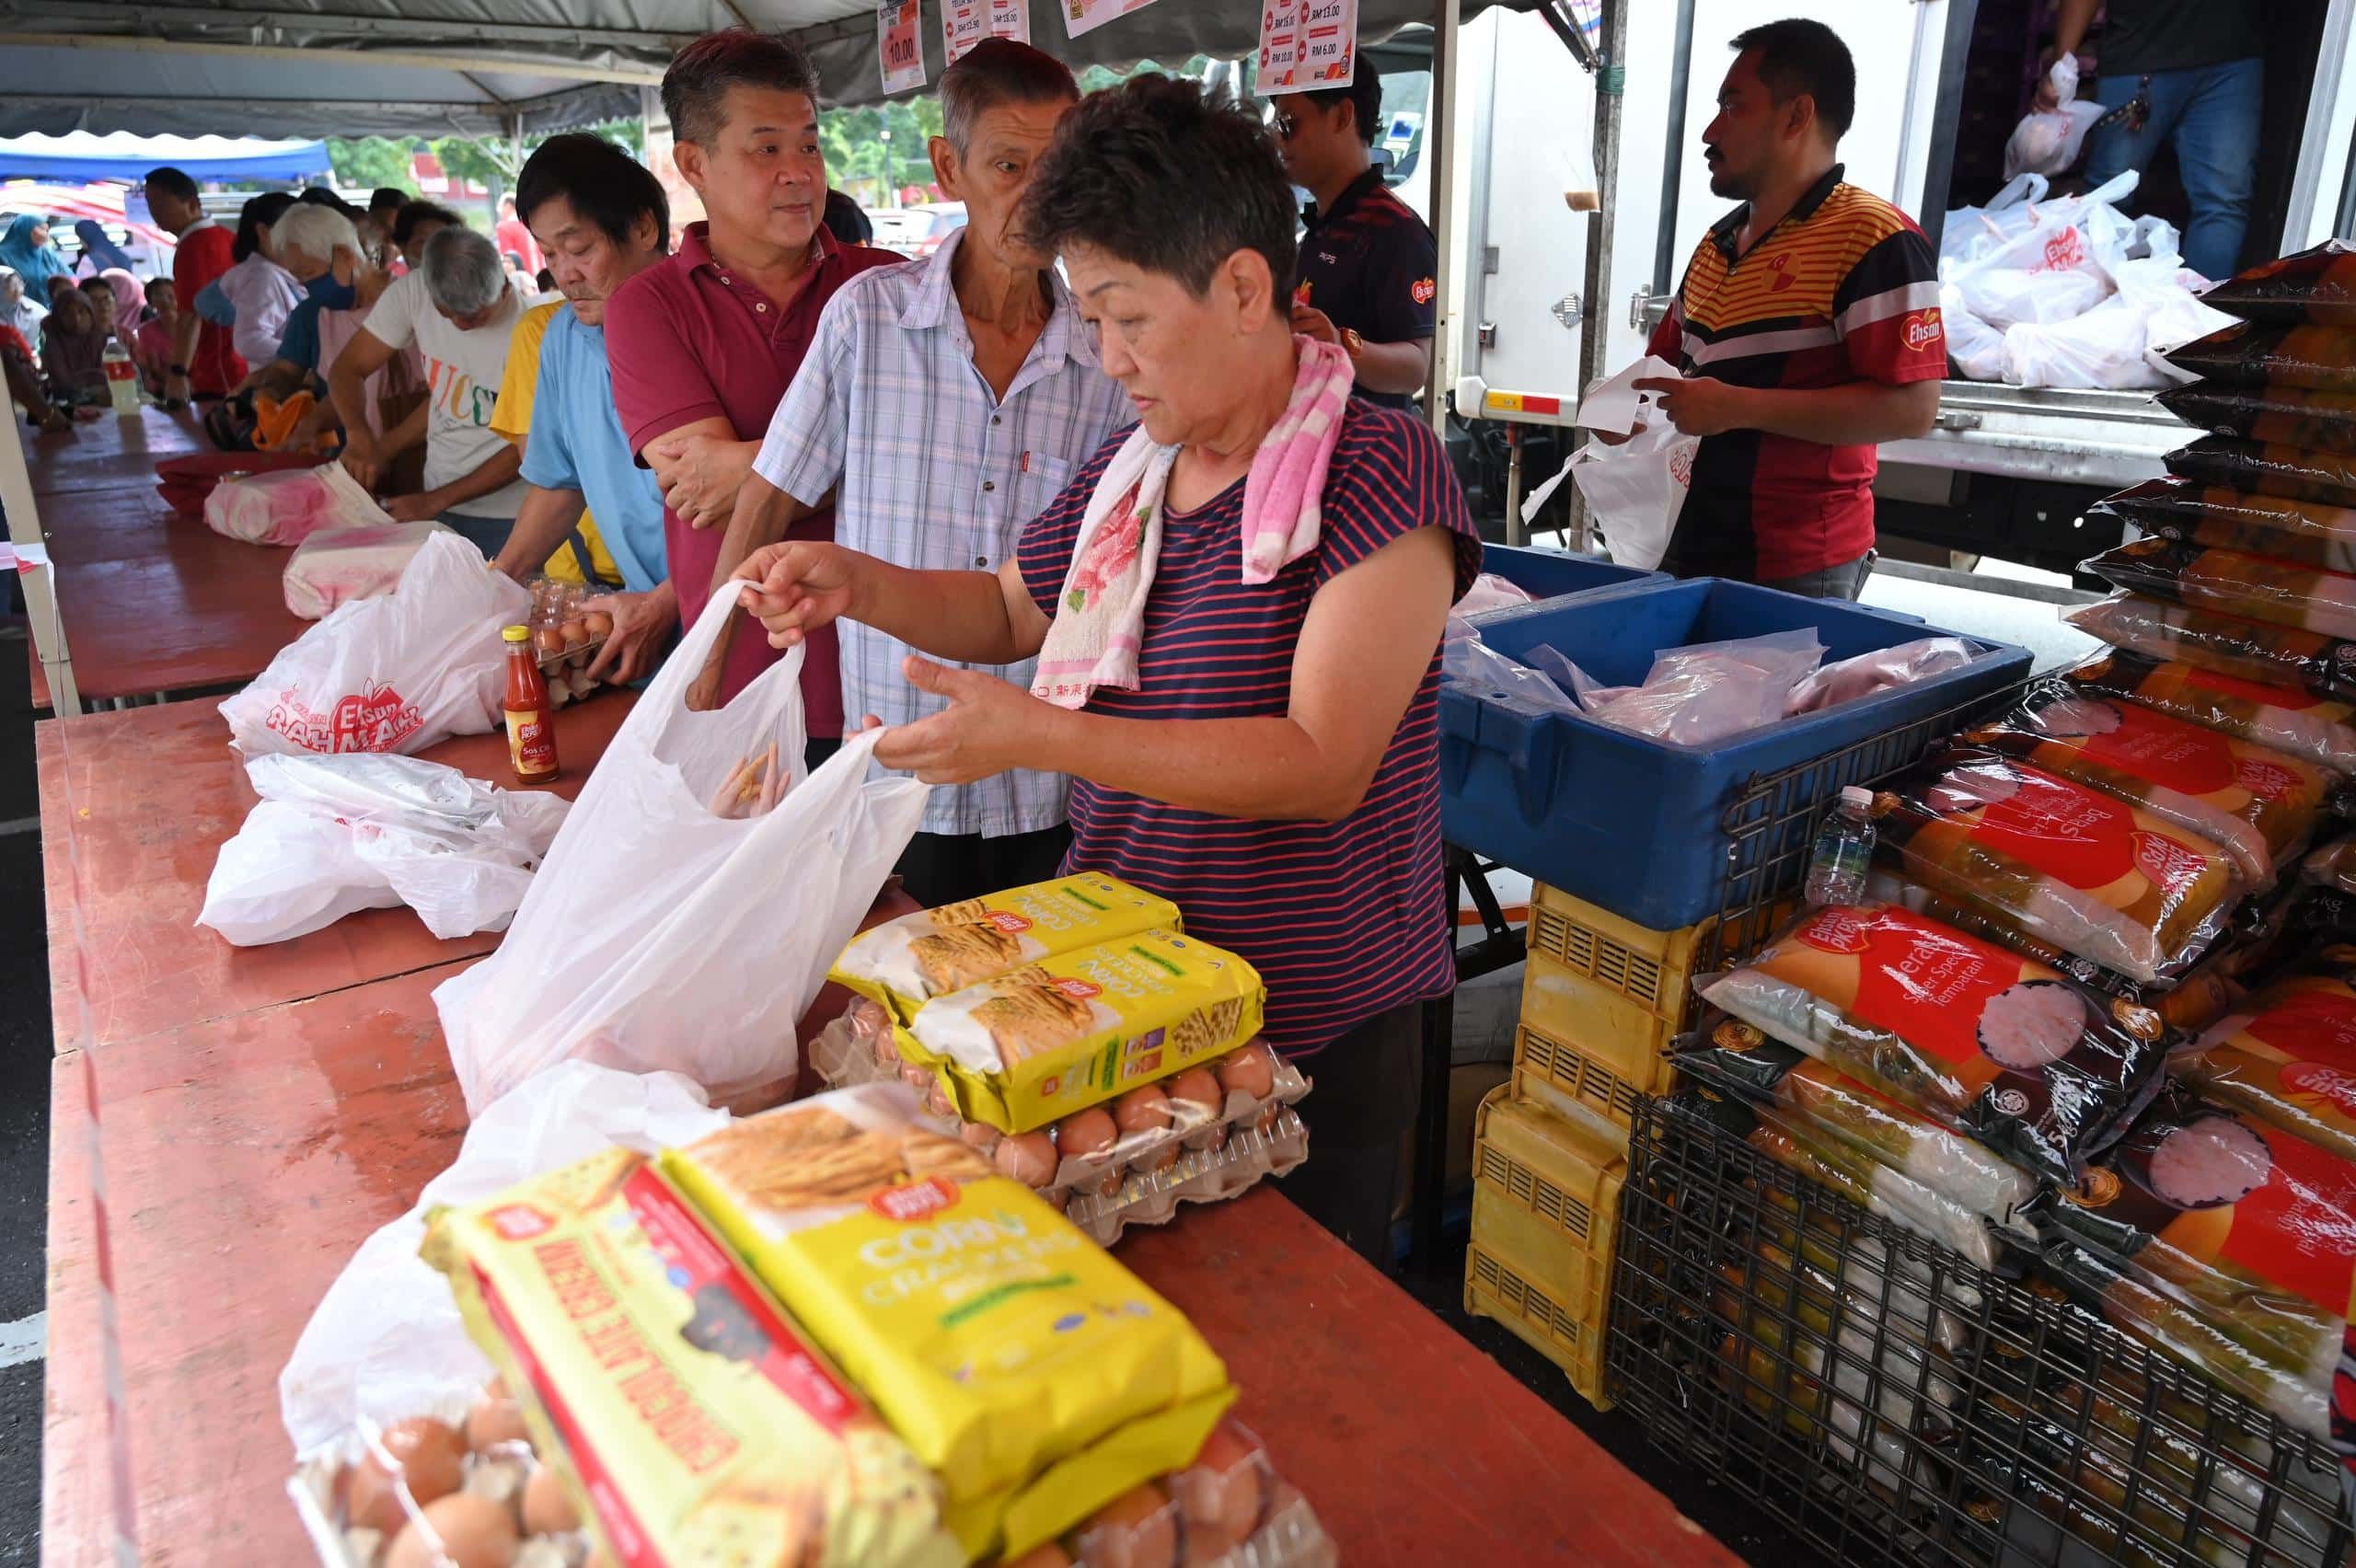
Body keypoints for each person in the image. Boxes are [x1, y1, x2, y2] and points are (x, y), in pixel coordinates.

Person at [730, 75, 1480, 1266]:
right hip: (1119, 996)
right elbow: (1002, 607)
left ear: (1242, 287)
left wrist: (1043, 738)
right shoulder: (1136, 473)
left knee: (1307, 1354)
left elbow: (1322, 764)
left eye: (1125, 315)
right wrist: (854, 581)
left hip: (1301, 1025)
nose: (1104, 354)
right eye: (1090, 316)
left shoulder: (1383, 475)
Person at [726, 40, 1129, 905]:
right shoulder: (868, 323)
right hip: (893, 758)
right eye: (1008, 164)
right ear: (950, 166)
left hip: (1048, 771)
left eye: (1054, 166)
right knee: (889, 1011)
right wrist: (716, 688)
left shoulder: (1109, 351)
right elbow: (768, 498)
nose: (1035, 194)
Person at [605, 29, 902, 742]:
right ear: (693, 162)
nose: (799, 171)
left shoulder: (888, 283)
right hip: (746, 681)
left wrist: (751, 462)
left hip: (895, 669)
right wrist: (875, 451)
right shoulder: (648, 306)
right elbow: (703, 493)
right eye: (766, 148)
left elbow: (938, 457)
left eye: (808, 143)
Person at [1636, 18, 1942, 598]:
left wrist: (1737, 407)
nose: (1708, 130)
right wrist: (1628, 407)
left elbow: (1911, 411)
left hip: (1798, 562)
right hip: (1684, 537)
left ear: (1797, 116)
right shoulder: (1716, 242)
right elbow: (1663, 370)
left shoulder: (1875, 238)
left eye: (1732, 107)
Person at [488, 134, 678, 684]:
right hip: (641, 625)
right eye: (549, 253)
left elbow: (764, 503)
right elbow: (559, 484)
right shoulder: (563, 339)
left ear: (643, 228)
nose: (563, 273)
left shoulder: (707, 326)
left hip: (736, 620)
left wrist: (670, 601)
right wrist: (499, 582)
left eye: (579, 249)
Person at [329, 225, 528, 552]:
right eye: (446, 315)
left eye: (474, 317)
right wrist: (361, 435)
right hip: (439, 499)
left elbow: (529, 448)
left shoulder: (529, 330)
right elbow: (347, 369)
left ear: (505, 288)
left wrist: (434, 500)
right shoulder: (412, 293)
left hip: (511, 513)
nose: (460, 326)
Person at [2036, 0, 2261, 282]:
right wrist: (2062, 64)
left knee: (2224, 201)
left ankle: (2201, 319)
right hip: (2142, 58)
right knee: (2107, 198)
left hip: (2231, 58)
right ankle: (2081, 302)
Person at [1270, 68, 1438, 409]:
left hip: (1367, 448)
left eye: (1288, 123)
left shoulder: (1395, 229)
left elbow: (1416, 367)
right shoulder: (1321, 224)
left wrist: (1341, 341)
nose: (1278, 139)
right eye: (1275, 127)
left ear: (1342, 116)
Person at [143, 166, 243, 403]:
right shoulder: (225, 235)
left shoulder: (194, 246)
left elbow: (190, 316)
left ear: (191, 203)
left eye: (161, 203)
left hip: (221, 369)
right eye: (150, 204)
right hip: (237, 361)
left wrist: (178, 372)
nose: (154, 212)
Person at [212, 192, 304, 367]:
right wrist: (303, 355)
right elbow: (250, 339)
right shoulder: (263, 276)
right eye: (294, 231)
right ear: (263, 231)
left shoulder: (273, 272)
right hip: (280, 383)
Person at [39, 285, 108, 407]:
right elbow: (63, 385)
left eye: (81, 311)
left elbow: (110, 377)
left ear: (90, 312)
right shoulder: (54, 342)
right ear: (59, 318)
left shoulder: (101, 337)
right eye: (68, 313)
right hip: (70, 408)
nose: (76, 318)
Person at [0, 215, 70, 297]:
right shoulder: (3, 256)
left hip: (50, 308)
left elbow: (69, 277)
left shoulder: (48, 254)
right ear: (26, 229)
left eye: (47, 230)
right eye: (42, 229)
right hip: (15, 308)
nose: (45, 234)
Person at [131, 276, 176, 397]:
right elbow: (155, 370)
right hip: (163, 387)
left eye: (170, 295)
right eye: (159, 295)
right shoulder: (145, 330)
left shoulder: (191, 324)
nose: (165, 301)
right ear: (150, 302)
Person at [493, 195, 544, 277]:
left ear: (508, 206)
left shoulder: (503, 227)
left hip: (520, 277)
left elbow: (507, 257)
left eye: (501, 208)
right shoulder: (531, 223)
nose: (500, 212)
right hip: (539, 274)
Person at [71, 219, 138, 279]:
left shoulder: (89, 260)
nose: (80, 242)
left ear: (87, 237)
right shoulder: (124, 256)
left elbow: (83, 285)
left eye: (80, 238)